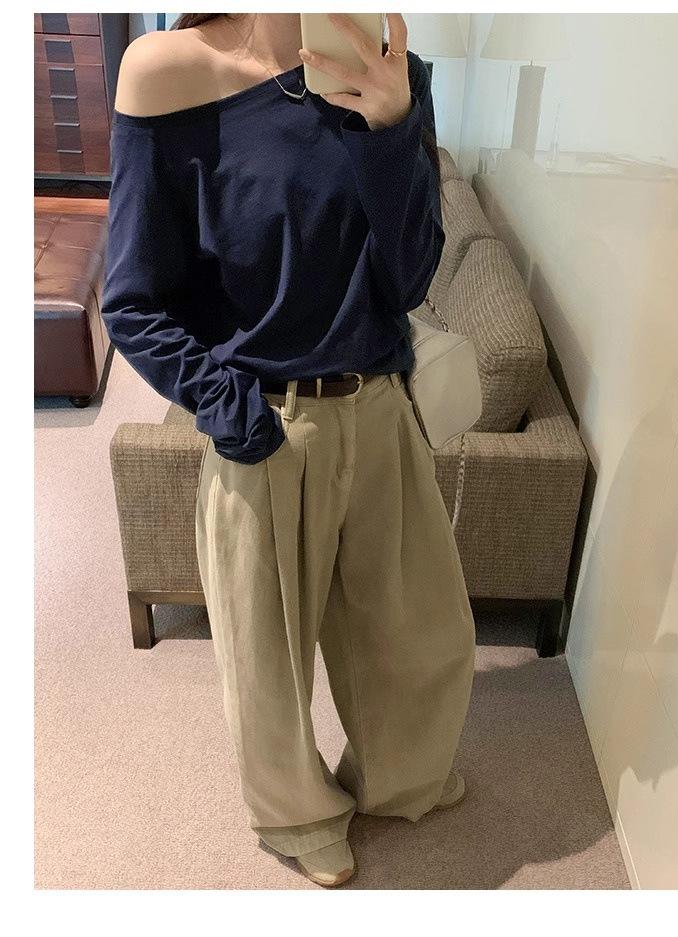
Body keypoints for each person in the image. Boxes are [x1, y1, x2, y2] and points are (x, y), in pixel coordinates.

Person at [101, 12, 476, 888]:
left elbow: (411, 276)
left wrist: (392, 123)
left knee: (424, 635)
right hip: (263, 426)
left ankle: (401, 778)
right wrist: (228, 406)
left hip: (380, 407)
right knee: (265, 665)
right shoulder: (165, 71)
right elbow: (131, 297)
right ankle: (298, 815)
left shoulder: (393, 70)